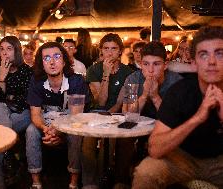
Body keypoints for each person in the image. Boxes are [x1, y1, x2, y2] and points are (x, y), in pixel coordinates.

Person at [132, 25, 223, 189]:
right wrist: (197, 118)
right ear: (194, 64)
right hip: (183, 157)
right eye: (203, 55)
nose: (211, 61)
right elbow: (155, 148)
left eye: (219, 53)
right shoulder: (180, 91)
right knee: (147, 172)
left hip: (220, 162)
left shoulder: (173, 80)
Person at [113, 41, 182, 189]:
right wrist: (144, 95)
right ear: (140, 64)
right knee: (124, 138)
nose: (150, 70)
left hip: (165, 129)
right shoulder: (133, 79)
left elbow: (177, 121)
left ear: (165, 65)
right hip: (138, 127)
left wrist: (155, 96)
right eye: (146, 64)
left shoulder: (176, 82)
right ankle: (122, 181)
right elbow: (128, 115)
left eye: (156, 64)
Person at [26, 42, 90, 189]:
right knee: (31, 130)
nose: (52, 62)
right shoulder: (37, 81)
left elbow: (76, 116)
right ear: (42, 64)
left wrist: (59, 131)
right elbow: (35, 115)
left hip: (70, 119)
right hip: (47, 119)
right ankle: (36, 182)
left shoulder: (76, 80)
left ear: (64, 60)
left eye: (56, 56)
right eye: (47, 58)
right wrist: (46, 129)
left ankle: (74, 182)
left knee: (75, 133)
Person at [83, 33, 133, 189]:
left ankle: (107, 179)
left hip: (116, 114)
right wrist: (106, 73)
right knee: (88, 142)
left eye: (114, 48)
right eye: (106, 48)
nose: (110, 52)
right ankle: (89, 183)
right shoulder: (93, 70)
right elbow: (101, 101)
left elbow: (119, 103)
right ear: (101, 51)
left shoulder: (128, 72)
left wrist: (108, 116)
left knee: (109, 140)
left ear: (120, 51)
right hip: (95, 113)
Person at [0, 36, 33, 134]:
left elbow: (27, 100)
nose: (4, 52)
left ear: (16, 51)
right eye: (2, 49)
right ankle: (8, 140)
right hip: (2, 108)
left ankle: (5, 140)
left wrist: (8, 97)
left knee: (28, 115)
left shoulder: (27, 71)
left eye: (9, 49)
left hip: (22, 110)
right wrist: (2, 77)